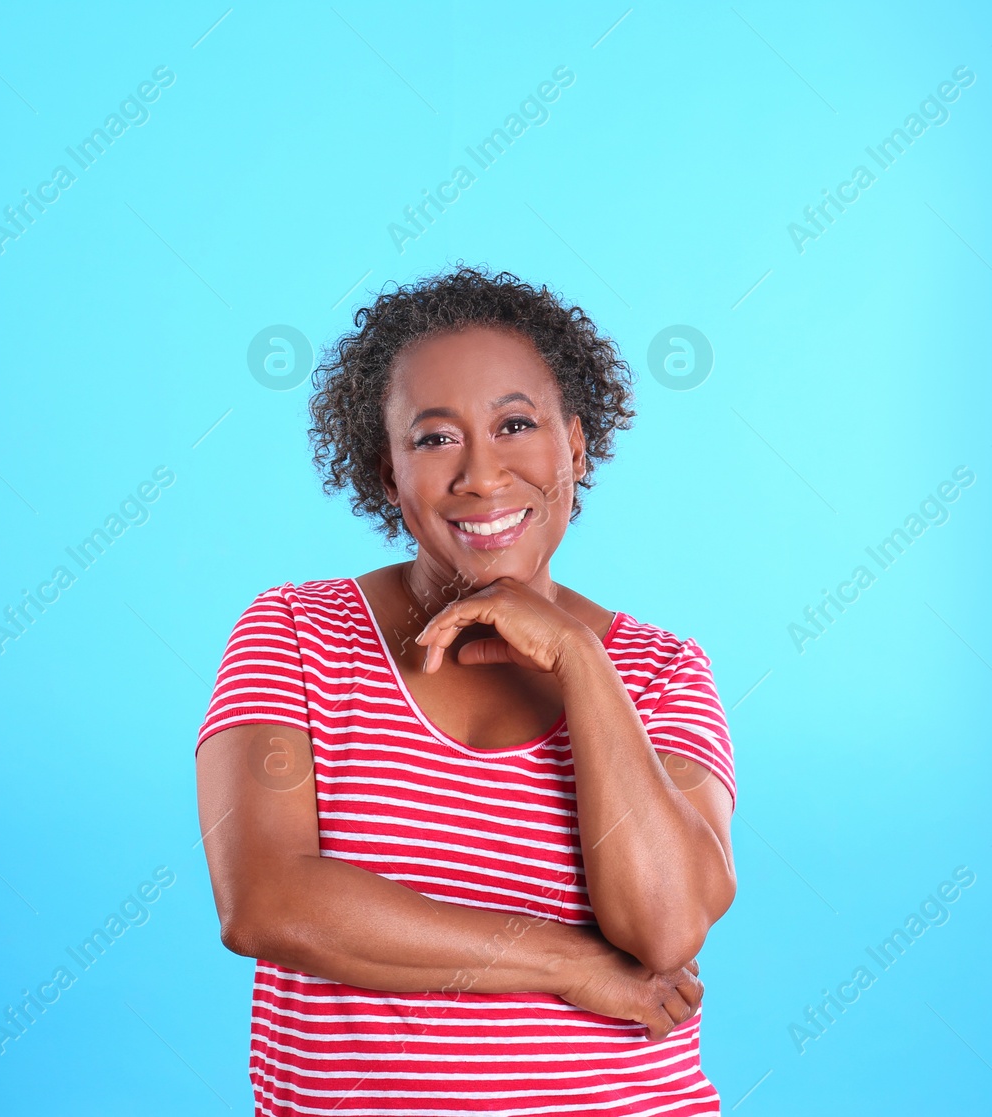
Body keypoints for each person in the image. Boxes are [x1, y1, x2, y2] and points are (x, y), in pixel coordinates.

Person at [195, 265, 737, 1114]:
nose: (482, 476)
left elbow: (666, 926)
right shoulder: (297, 635)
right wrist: (567, 963)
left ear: (577, 445)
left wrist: (583, 664)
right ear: (387, 474)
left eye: (516, 424)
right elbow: (268, 901)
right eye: (434, 438)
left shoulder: (663, 670)